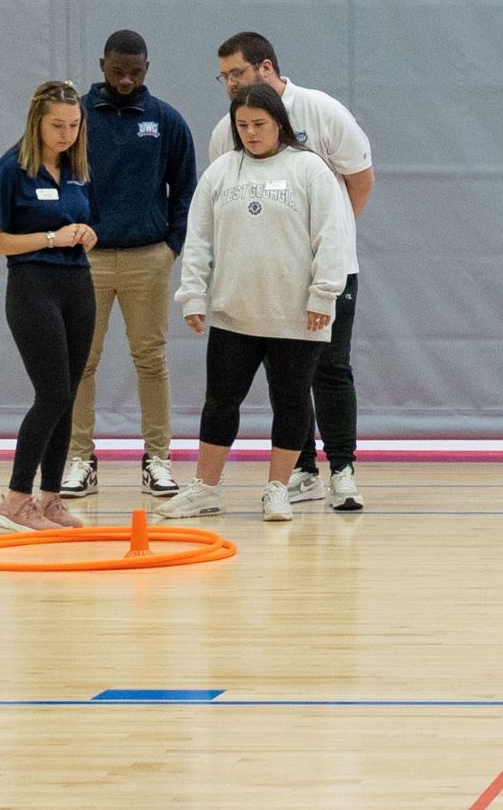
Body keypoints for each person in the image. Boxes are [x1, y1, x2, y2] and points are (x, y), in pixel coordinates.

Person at [163, 86, 357, 522]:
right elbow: (198, 240)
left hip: (297, 316)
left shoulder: (310, 169)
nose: (250, 133)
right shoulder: (221, 172)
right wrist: (193, 294)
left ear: (279, 124)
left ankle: (278, 489)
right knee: (220, 401)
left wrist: (323, 295)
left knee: (290, 400)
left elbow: (332, 238)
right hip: (234, 314)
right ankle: (206, 489)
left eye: (260, 125)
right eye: (242, 126)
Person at [216, 32, 375, 510]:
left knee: (331, 368)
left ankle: (343, 470)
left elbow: (361, 179)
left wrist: (330, 244)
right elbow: (224, 201)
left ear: (265, 68)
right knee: (287, 377)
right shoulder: (227, 130)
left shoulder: (322, 111)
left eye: (237, 73)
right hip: (269, 276)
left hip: (330, 271)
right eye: (223, 77)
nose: (229, 84)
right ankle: (303, 470)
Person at [66, 29, 197, 501]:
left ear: (147, 68)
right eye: (117, 71)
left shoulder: (166, 121)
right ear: (102, 65)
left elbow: (186, 191)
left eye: (135, 72)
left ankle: (157, 459)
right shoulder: (75, 117)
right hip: (88, 261)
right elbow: (53, 177)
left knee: (151, 360)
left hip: (148, 258)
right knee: (80, 362)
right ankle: (80, 458)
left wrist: (171, 248)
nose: (125, 80)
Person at [0, 79, 99, 533]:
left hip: (78, 284)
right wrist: (50, 237)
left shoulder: (79, 169)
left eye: (73, 125)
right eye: (56, 125)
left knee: (68, 398)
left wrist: (88, 233)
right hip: (32, 286)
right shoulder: (10, 169)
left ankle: (51, 500)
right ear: (37, 122)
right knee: (50, 394)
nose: (66, 134)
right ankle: (14, 499)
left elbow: (89, 222)